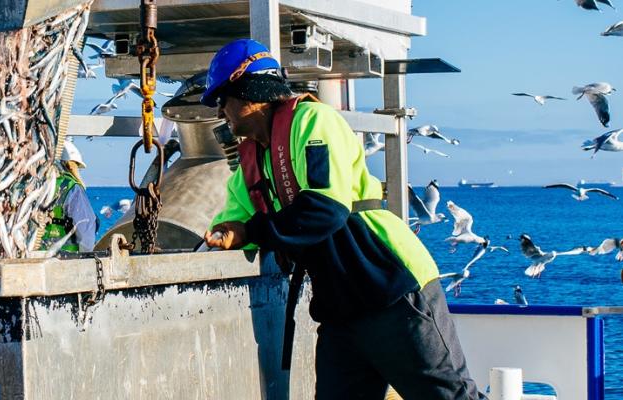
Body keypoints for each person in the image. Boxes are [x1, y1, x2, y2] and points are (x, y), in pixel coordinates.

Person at [200, 39, 483, 399]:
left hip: (391, 287)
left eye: (222, 100)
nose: (221, 111)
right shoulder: (251, 165)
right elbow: (237, 224)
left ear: (249, 94)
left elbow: (325, 209)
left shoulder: (313, 121)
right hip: (340, 312)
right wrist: (225, 234)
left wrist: (250, 231)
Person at [42, 141, 97, 252]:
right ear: (71, 165)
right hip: (65, 259)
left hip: (36, 255)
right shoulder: (70, 187)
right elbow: (86, 231)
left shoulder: (37, 184)